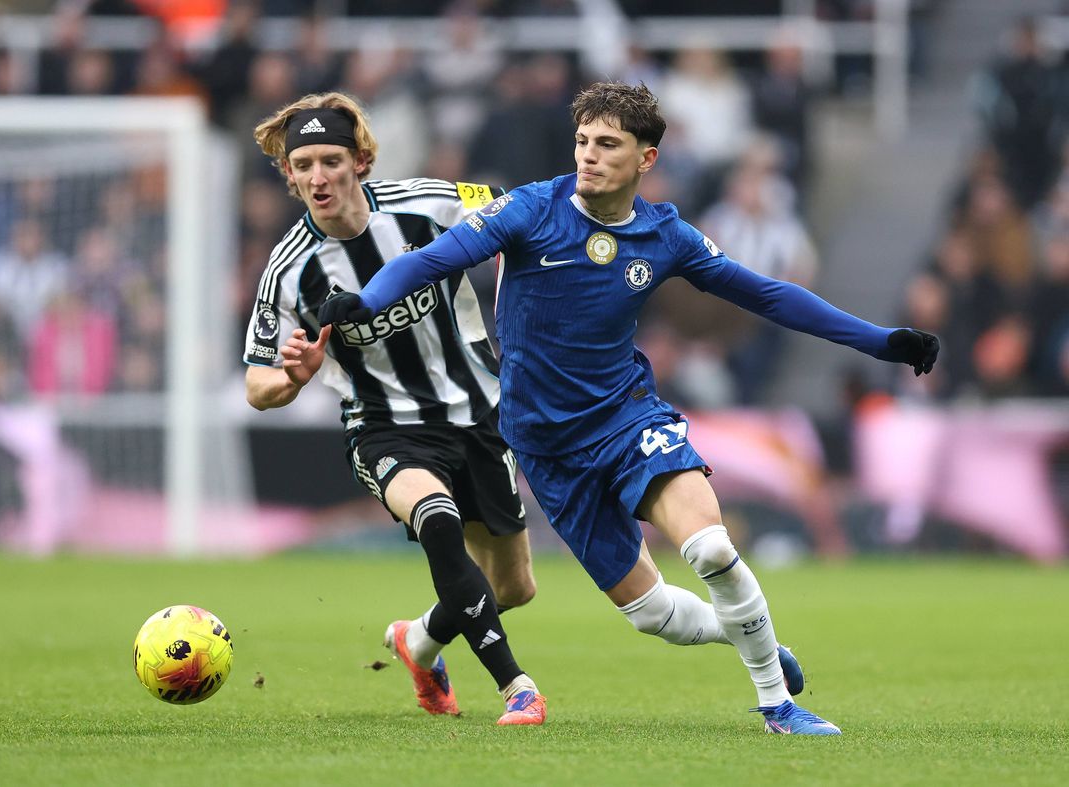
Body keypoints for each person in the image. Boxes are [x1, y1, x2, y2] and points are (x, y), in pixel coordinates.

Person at [320, 82, 940, 735]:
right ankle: (747, 635)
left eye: (608, 144)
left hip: (627, 418)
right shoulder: (530, 210)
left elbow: (768, 295)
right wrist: (365, 300)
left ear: (645, 159)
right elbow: (433, 259)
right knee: (652, 614)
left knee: (710, 549)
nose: (588, 155)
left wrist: (881, 340)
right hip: (545, 445)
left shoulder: (665, 235)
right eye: (583, 141)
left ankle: (776, 705)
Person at [244, 92, 546, 725]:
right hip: (385, 427)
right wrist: (293, 378)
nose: (318, 176)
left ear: (361, 161)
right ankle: (515, 686)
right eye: (303, 165)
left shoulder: (430, 203)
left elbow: (516, 210)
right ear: (290, 175)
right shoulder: (289, 269)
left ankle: (419, 641)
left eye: (331, 160)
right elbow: (256, 385)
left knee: (513, 588)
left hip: (479, 412)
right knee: (436, 520)